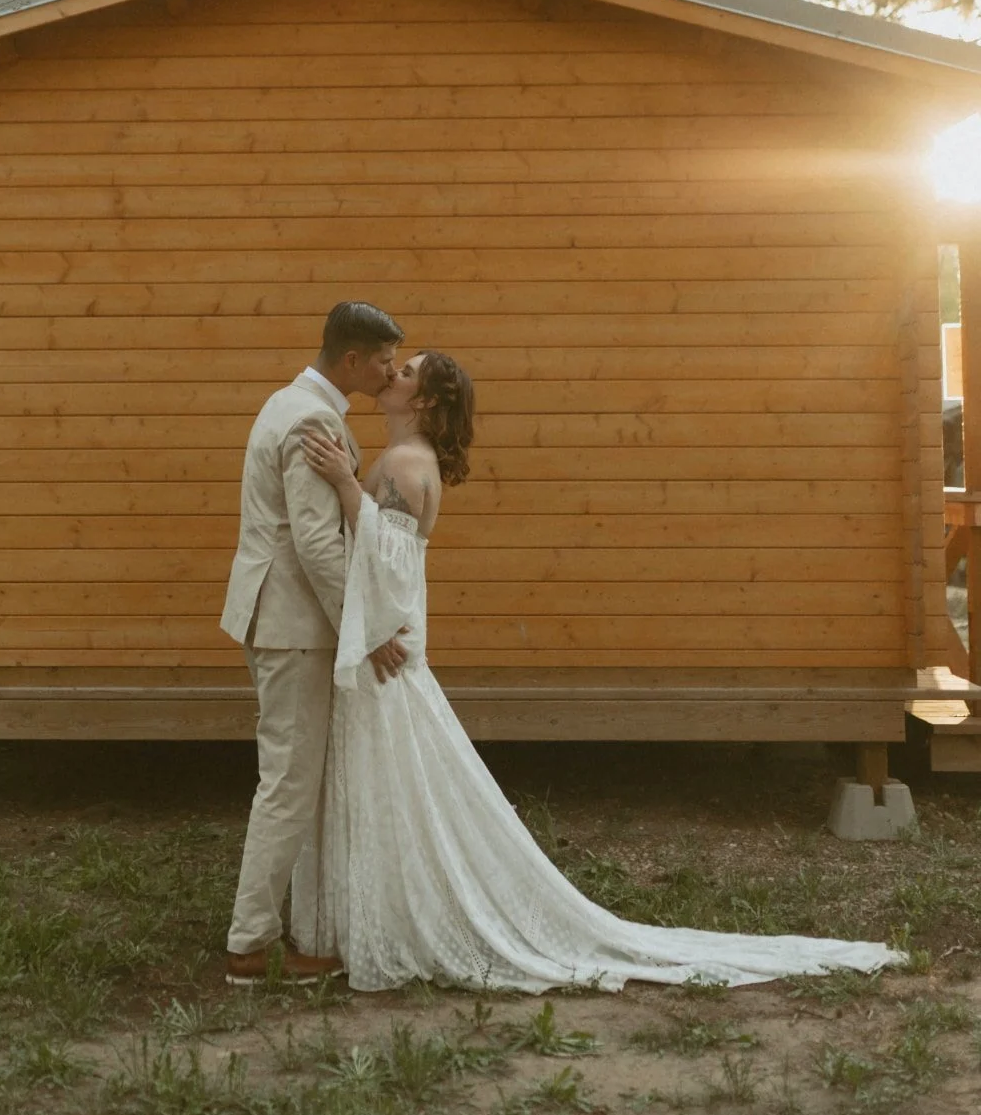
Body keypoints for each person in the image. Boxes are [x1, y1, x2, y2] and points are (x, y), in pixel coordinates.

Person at [295, 350, 903, 993]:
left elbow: (387, 567)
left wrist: (341, 486)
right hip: (386, 646)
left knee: (398, 789)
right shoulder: (398, 462)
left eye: (408, 372)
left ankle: (394, 922)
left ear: (425, 403)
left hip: (387, 654)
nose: (393, 374)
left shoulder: (404, 465)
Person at [222, 300, 409, 986]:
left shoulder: (289, 400)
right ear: (353, 359)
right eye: (385, 360)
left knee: (294, 779)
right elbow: (315, 544)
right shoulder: (310, 417)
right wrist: (369, 626)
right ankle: (249, 946)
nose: (391, 372)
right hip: (292, 624)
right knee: (290, 785)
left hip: (278, 617)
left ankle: (292, 932)